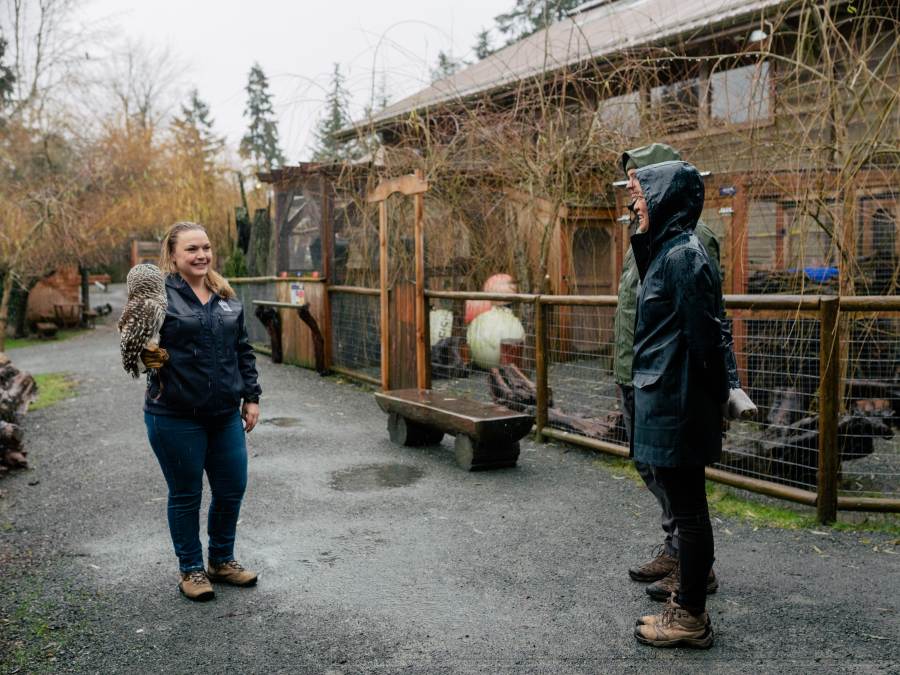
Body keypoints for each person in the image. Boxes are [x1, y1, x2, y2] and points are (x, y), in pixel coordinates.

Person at [614, 143, 742, 603]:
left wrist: (718, 391)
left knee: (685, 495)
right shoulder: (653, 239)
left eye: (639, 187)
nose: (633, 200)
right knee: (657, 473)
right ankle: (680, 558)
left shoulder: (686, 247)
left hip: (673, 388)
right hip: (644, 374)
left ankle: (690, 583)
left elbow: (704, 327)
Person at [142, 221, 262, 602]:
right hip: (174, 415)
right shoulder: (158, 297)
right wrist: (148, 357)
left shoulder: (224, 293)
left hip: (224, 414)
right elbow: (135, 346)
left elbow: (243, 349)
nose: (201, 255)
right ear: (173, 256)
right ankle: (191, 569)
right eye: (192, 249)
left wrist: (251, 397)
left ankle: (221, 561)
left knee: (231, 490)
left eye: (206, 248)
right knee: (186, 494)